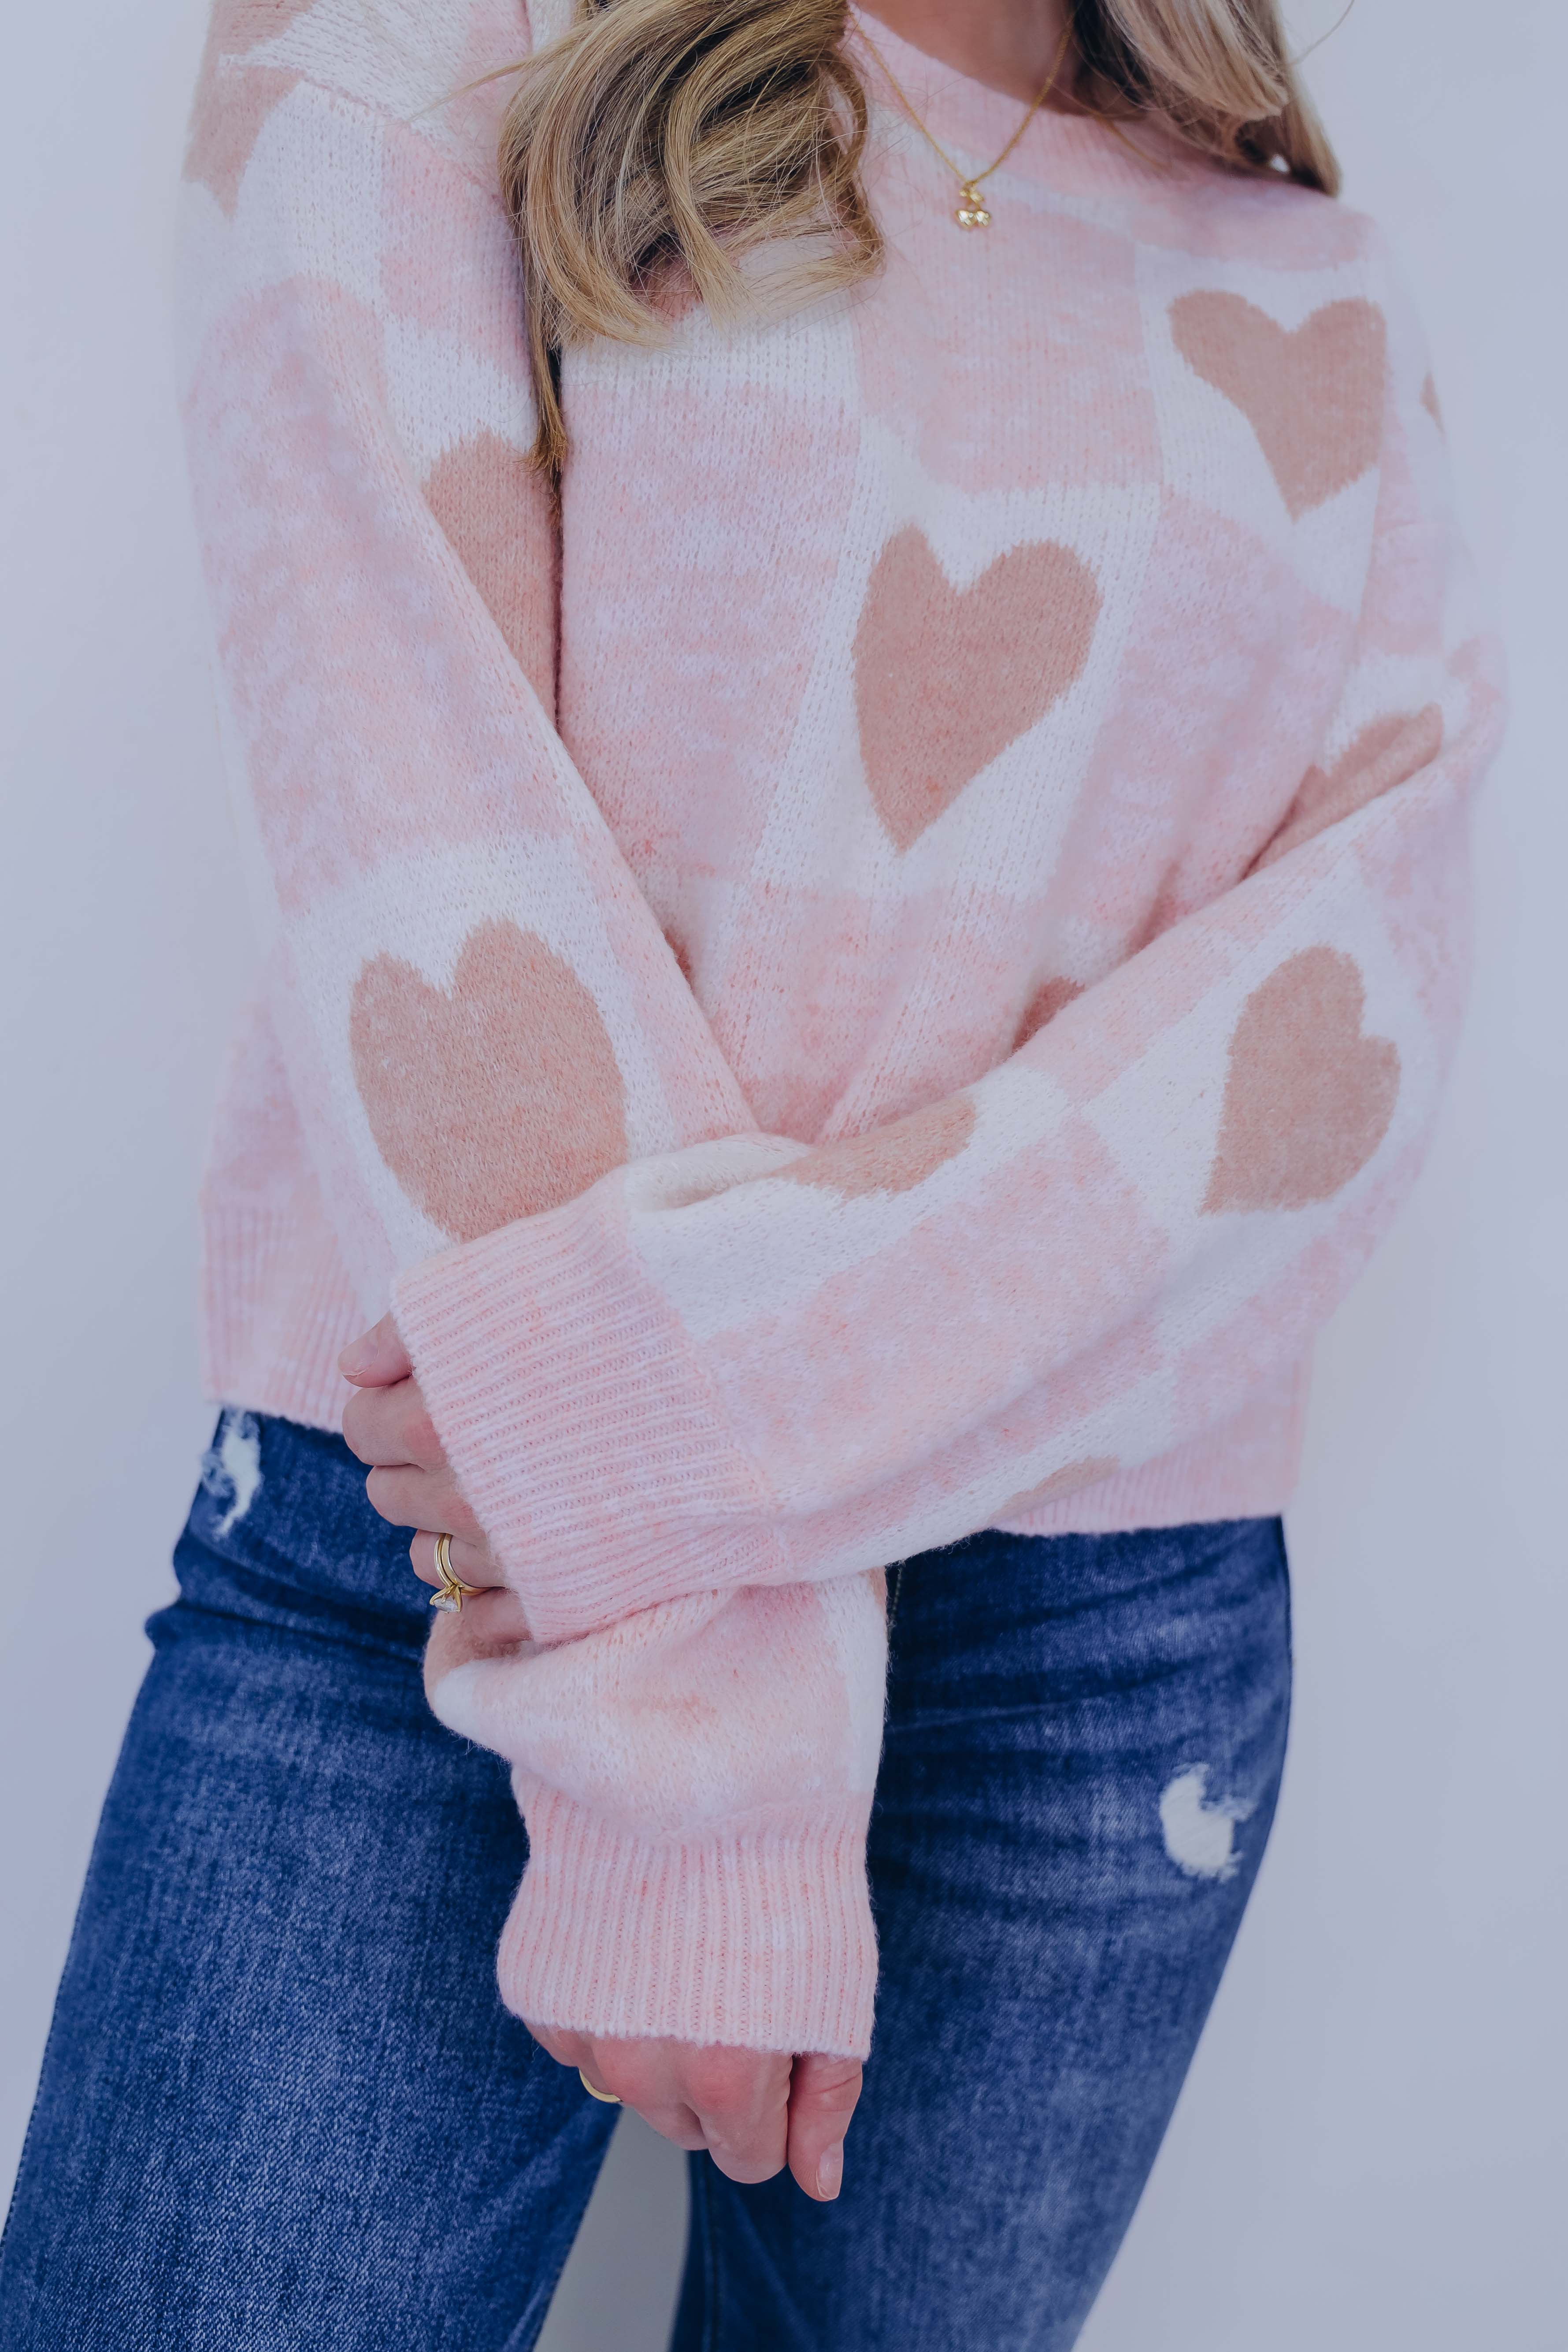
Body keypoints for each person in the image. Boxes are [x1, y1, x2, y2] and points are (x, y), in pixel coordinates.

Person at [0, 0, 1503, 2344]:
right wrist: (690, 1717)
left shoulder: (1305, 263)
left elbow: (1344, 1022)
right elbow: (419, 826)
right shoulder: (420, 47)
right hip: (446, 1544)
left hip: (1092, 1633)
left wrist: (694, 1415)